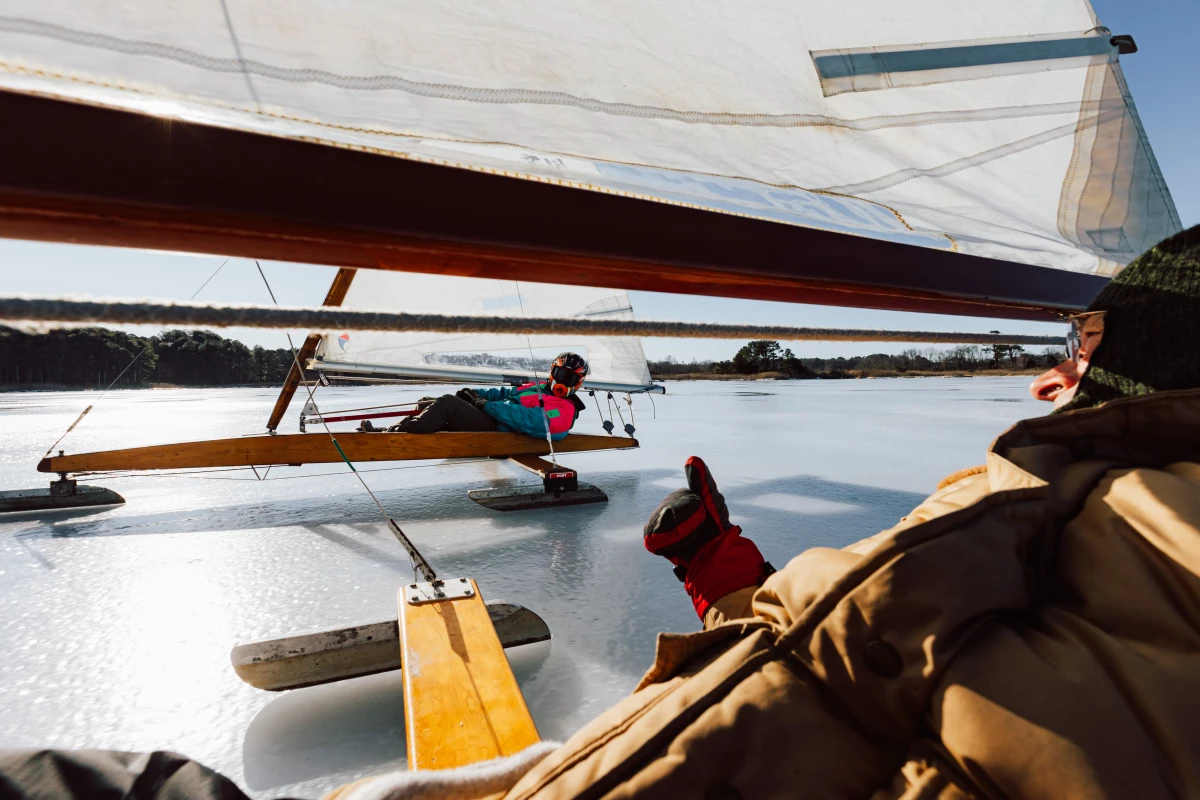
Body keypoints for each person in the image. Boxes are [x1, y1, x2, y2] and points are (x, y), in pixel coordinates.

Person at [4, 227, 1198, 799]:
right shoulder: (1085, 535)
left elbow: (860, 688)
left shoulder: (1071, 519)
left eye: (1078, 344)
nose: (1050, 376)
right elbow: (867, 685)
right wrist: (727, 574)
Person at [359, 353, 590, 440]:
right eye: (560, 374)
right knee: (429, 402)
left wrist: (485, 406)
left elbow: (525, 418)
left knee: (447, 404)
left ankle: (388, 435)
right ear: (552, 371)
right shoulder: (538, 388)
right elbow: (505, 393)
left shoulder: (565, 409)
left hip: (499, 429)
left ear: (578, 383)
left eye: (569, 379)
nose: (562, 382)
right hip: (492, 417)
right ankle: (403, 428)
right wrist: (475, 395)